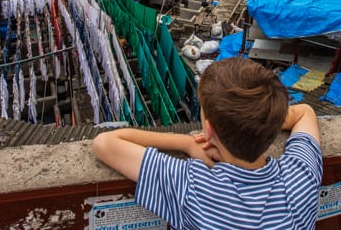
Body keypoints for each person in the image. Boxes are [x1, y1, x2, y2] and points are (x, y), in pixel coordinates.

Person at [92, 58, 322, 229]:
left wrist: (186, 143)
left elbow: (105, 142)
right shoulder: (300, 180)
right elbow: (305, 113)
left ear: (208, 129)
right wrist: (265, 120)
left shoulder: (192, 186)